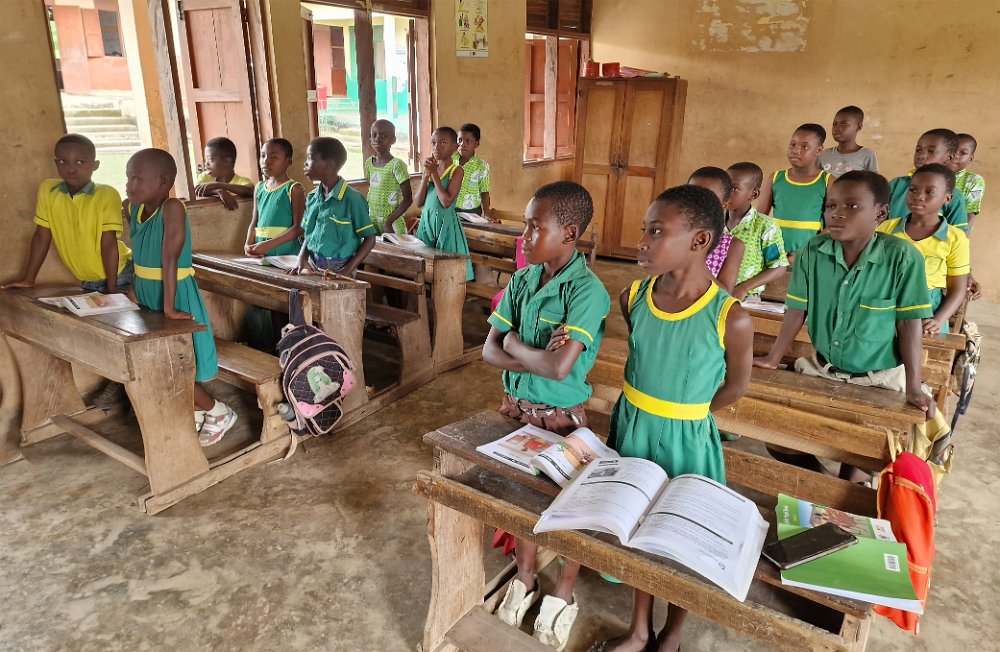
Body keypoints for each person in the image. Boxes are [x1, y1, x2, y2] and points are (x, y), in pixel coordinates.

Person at [590, 185, 753, 652]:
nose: (641, 242)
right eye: (645, 230)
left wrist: (688, 413)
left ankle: (672, 633)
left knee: (682, 538)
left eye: (656, 232)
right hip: (633, 430)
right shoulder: (634, 297)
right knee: (637, 529)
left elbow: (736, 387)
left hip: (689, 441)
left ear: (700, 240)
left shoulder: (730, 316)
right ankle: (639, 629)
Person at [484, 181, 610, 651]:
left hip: (561, 421)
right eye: (525, 225)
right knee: (520, 500)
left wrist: (514, 342)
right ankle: (525, 577)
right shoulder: (522, 280)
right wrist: (529, 350)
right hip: (515, 413)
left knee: (565, 510)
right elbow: (488, 351)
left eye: (535, 228)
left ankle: (563, 593)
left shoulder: (588, 291)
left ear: (570, 233)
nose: (525, 236)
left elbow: (559, 370)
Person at [754, 171, 935, 480]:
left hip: (879, 380)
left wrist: (914, 386)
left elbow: (909, 324)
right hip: (822, 370)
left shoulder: (902, 257)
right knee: (779, 439)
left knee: (868, 458)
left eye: (852, 206)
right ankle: (826, 484)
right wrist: (773, 357)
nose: (836, 213)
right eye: (830, 205)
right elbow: (796, 310)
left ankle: (847, 486)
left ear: (880, 213)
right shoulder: (813, 251)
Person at [3, 133, 134, 408]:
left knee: (127, 337)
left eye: (80, 162)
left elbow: (108, 243)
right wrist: (28, 278)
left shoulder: (105, 194)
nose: (71, 168)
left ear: (95, 165)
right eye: (63, 162)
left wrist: (112, 289)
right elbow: (42, 235)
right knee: (103, 338)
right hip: (89, 281)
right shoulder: (49, 190)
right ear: (55, 163)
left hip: (120, 275)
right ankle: (121, 388)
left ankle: (127, 392)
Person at [123, 149, 237, 445]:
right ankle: (196, 409)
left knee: (176, 360)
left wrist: (170, 307)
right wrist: (135, 286)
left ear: (163, 182)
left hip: (174, 292)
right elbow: (139, 252)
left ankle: (218, 411)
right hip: (148, 292)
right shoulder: (133, 208)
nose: (129, 184)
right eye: (128, 177)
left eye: (137, 179)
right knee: (162, 357)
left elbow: (170, 259)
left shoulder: (172, 208)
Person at [877, 164, 970, 335]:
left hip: (929, 313)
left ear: (947, 198)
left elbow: (957, 288)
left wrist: (939, 320)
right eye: (913, 189)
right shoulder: (886, 229)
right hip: (886, 305)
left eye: (929, 192)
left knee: (922, 350)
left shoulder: (955, 238)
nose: (919, 196)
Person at [293, 137, 375, 277]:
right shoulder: (312, 197)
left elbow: (370, 239)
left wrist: (346, 271)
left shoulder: (353, 199)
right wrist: (301, 258)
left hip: (340, 266)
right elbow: (309, 233)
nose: (305, 163)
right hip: (312, 263)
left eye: (310, 158)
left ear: (329, 165)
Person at [758, 123, 832, 258]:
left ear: (818, 150)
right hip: (775, 256)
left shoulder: (828, 181)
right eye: (793, 145)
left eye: (804, 147)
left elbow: (833, 225)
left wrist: (806, 252)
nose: (796, 151)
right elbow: (759, 220)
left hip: (811, 256)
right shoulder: (775, 178)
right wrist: (772, 253)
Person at [415, 127, 474, 281]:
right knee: (425, 268)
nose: (436, 147)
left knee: (448, 272)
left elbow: (446, 201)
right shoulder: (430, 170)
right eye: (433, 143)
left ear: (454, 147)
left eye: (442, 143)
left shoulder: (457, 170)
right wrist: (425, 176)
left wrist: (434, 173)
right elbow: (418, 202)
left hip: (445, 225)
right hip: (427, 223)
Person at [725, 162, 789, 301]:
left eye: (734, 188)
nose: (726, 193)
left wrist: (744, 288)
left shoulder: (765, 226)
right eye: (725, 187)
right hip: (712, 295)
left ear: (753, 194)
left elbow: (778, 266)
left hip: (746, 298)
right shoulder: (714, 223)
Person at [887, 129, 968, 231]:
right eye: (918, 150)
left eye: (931, 151)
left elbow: (959, 233)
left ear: (949, 157)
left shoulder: (953, 195)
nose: (921, 156)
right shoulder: (896, 185)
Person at [687, 167, 744, 293]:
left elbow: (724, 293)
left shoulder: (732, 245)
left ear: (724, 205)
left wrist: (696, 258)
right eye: (691, 195)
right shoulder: (673, 236)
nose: (697, 203)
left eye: (708, 198)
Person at [245, 138, 305, 258]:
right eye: (263, 156)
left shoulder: (294, 189)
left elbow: (298, 228)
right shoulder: (259, 187)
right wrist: (248, 244)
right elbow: (254, 221)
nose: (266, 161)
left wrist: (267, 245)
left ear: (288, 161)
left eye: (274, 157)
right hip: (261, 253)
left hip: (286, 254)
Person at [365, 119, 413, 234]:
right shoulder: (369, 163)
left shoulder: (397, 165)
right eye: (374, 135)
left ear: (393, 140)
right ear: (370, 138)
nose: (378, 139)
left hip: (392, 222)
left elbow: (408, 199)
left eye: (384, 136)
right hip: (373, 220)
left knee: (395, 246)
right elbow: (373, 190)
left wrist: (388, 222)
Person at [194, 136, 254, 210]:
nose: (206, 163)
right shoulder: (205, 177)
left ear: (227, 161)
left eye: (210, 159)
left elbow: (250, 190)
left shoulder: (241, 181)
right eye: (205, 160)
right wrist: (218, 191)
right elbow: (197, 190)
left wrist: (218, 184)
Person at [817, 106, 878, 176]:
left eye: (844, 124)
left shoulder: (867, 155)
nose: (837, 128)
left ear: (858, 127)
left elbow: (873, 182)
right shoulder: (824, 154)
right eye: (834, 124)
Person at [949, 133, 985, 232]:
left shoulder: (974, 181)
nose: (955, 156)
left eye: (963, 153)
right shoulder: (931, 175)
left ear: (970, 158)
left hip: (954, 234)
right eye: (952, 150)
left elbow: (970, 215)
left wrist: (963, 238)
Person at [454, 123, 492, 217]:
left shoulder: (482, 166)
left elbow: (484, 192)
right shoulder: (449, 161)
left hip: (473, 212)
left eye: (468, 141)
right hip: (451, 210)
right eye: (460, 140)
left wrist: (486, 213)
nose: (462, 144)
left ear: (477, 143)